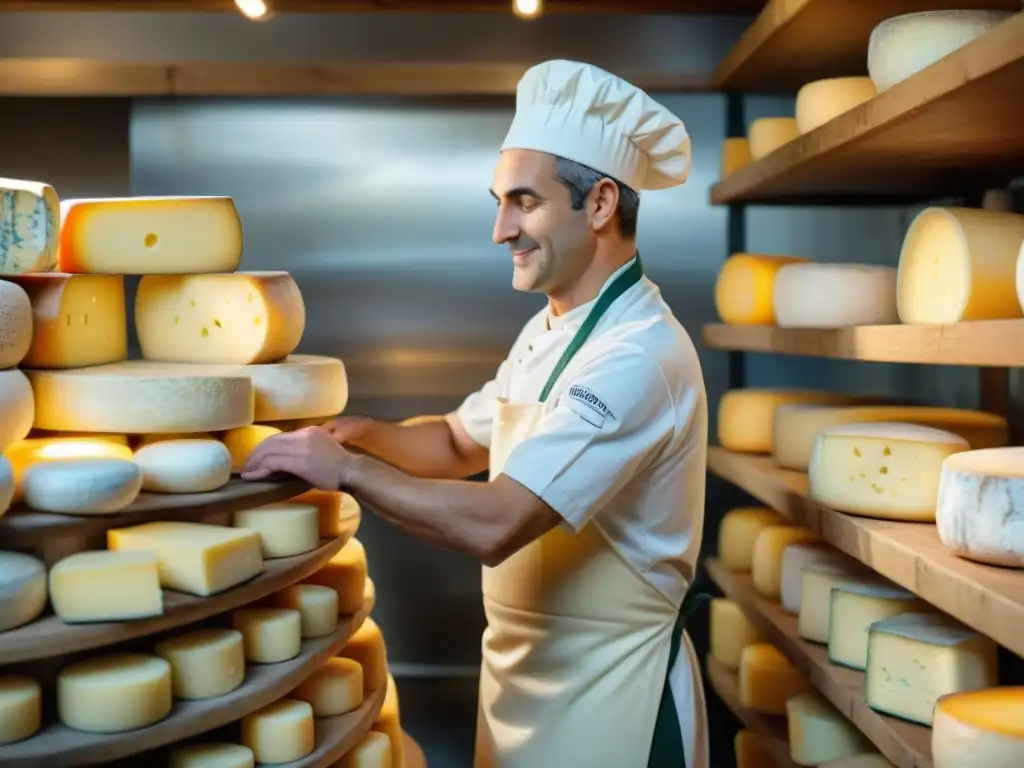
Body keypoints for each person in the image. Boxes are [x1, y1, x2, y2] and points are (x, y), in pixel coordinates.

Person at [242, 58, 709, 768]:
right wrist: (361, 433)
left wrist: (345, 471)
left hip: (618, 696)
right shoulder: (550, 329)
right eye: (499, 201)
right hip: (523, 686)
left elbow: (498, 522)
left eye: (523, 202)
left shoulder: (638, 355)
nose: (500, 230)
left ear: (602, 204)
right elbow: (460, 441)